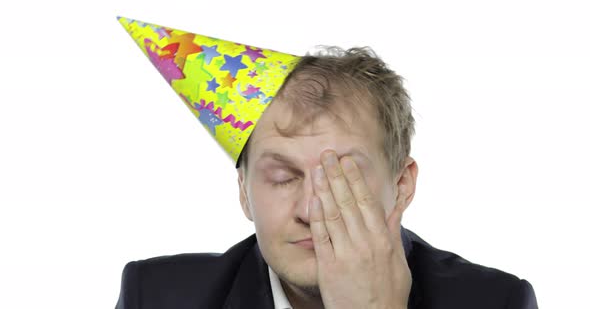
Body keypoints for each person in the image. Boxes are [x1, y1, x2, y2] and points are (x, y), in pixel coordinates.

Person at [115, 17, 538, 309]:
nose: (310, 211)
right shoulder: (155, 296)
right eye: (282, 178)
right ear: (244, 191)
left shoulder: (495, 301)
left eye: (342, 178)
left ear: (402, 185)